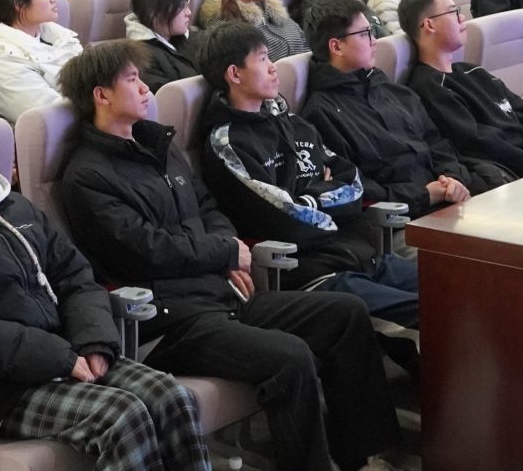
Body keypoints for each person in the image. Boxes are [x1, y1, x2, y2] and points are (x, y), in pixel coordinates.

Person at [55, 42, 406, 471]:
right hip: (171, 320)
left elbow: (209, 208)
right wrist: (222, 251)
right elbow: (145, 250)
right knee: (290, 356)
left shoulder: (160, 147)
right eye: (132, 80)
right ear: (101, 96)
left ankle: (363, 457)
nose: (146, 89)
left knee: (345, 314)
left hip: (220, 295)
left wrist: (229, 252)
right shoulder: (87, 176)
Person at [0, 96, 213, 470]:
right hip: (2, 388)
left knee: (173, 397)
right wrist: (57, 357)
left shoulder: (14, 208)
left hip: (68, 352)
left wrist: (94, 342)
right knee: (123, 417)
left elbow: (75, 275)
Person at [193, 21, 418, 326]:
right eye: (262, 59)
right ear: (234, 74)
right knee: (429, 310)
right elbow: (284, 218)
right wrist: (324, 196)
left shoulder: (293, 123)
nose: (273, 67)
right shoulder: (227, 143)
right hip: (312, 271)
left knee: (456, 283)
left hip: (359, 253)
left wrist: (308, 201)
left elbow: (352, 182)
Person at [303, 0, 488, 213]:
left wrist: (452, 178)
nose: (374, 40)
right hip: (402, 217)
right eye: (364, 34)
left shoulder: (388, 88)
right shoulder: (320, 114)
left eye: (372, 31)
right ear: (336, 47)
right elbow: (356, 188)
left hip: (448, 198)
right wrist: (424, 195)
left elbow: (435, 141)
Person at [398, 0, 523, 180]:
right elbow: (484, 145)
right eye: (453, 12)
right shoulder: (429, 88)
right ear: (429, 25)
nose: (462, 17)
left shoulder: (473, 72)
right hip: (522, 179)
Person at [124, 0, 199, 91]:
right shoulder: (142, 57)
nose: (188, 12)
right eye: (182, 6)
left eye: (187, 4)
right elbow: (168, 96)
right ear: (154, 13)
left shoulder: (184, 36)